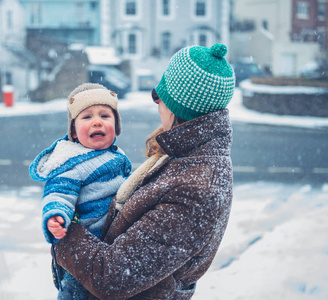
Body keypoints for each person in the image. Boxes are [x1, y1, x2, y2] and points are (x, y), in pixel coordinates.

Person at [52, 43, 235, 300]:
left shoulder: (195, 191)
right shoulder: (185, 157)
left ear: (180, 108)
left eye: (161, 94)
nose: (157, 100)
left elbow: (112, 276)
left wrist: (62, 230)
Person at [29, 83, 132, 300]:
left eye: (105, 115)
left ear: (116, 126)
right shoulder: (71, 163)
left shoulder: (117, 155)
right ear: (74, 132)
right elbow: (59, 193)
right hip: (82, 258)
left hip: (107, 251)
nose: (97, 121)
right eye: (87, 117)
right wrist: (56, 215)